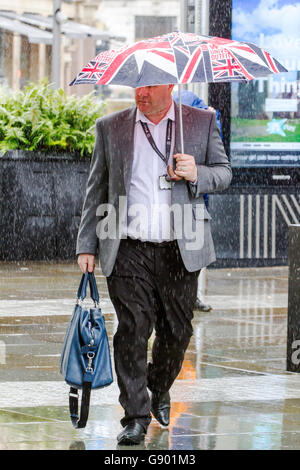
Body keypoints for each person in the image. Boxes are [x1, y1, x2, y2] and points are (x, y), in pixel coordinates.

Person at [76, 84, 232, 445]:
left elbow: (224, 173)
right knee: (132, 329)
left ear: (169, 86)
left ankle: (158, 386)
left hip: (180, 246)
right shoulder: (111, 126)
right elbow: (95, 186)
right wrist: (87, 244)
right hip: (128, 244)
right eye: (137, 86)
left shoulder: (201, 122)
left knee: (177, 332)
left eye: (149, 86)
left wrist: (197, 173)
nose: (141, 93)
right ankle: (135, 415)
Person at [173, 90, 223, 313]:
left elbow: (214, 129)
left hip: (197, 192)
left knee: (195, 243)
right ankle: (179, 294)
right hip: (178, 192)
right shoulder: (173, 100)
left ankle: (189, 294)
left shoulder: (190, 98)